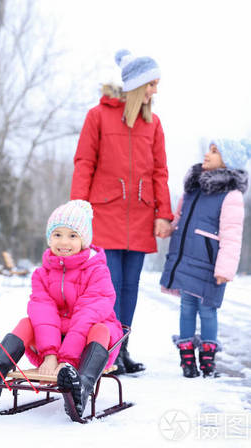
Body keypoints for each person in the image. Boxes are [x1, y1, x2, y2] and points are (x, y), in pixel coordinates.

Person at [0, 200, 123, 417]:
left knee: (100, 328)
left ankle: (81, 388)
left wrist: (67, 360)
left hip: (87, 348)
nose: (64, 242)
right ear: (49, 238)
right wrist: (50, 355)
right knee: (27, 322)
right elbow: (43, 314)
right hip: (53, 349)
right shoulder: (43, 274)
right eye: (57, 234)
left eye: (73, 235)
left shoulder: (98, 271)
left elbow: (86, 317)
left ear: (84, 240)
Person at [71, 49, 173, 374]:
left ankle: (122, 349)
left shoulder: (153, 123)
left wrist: (163, 214)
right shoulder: (97, 117)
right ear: (137, 84)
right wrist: (78, 209)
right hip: (104, 214)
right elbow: (84, 163)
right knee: (109, 285)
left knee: (130, 285)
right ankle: (104, 352)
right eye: (152, 84)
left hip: (141, 215)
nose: (155, 91)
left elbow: (160, 172)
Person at [160, 138, 251, 378]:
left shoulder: (231, 195)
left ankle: (208, 362)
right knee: (186, 307)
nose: (207, 154)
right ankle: (187, 359)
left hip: (209, 264)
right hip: (186, 257)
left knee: (208, 309)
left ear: (227, 161)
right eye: (208, 150)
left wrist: (225, 268)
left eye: (214, 152)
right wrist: (170, 226)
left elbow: (232, 235)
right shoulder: (193, 187)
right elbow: (180, 215)